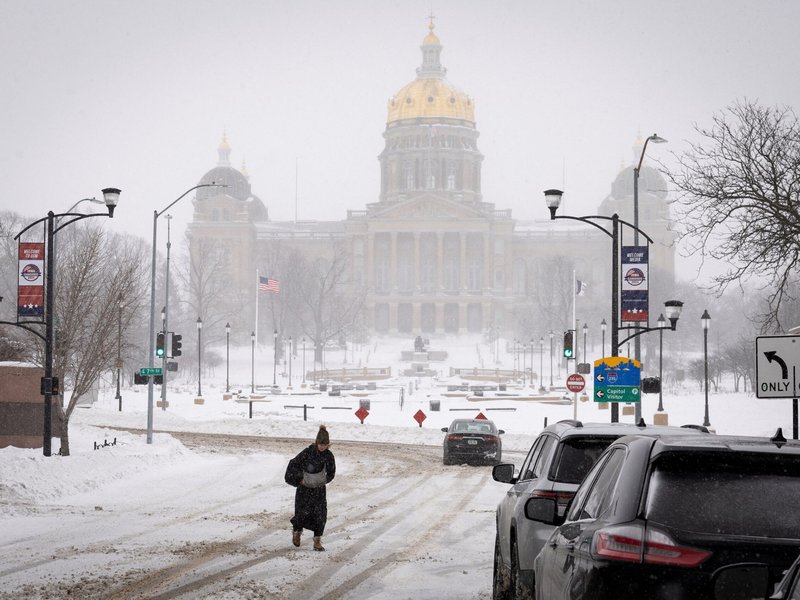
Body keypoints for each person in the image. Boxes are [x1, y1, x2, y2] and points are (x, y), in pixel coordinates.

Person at [285, 424, 336, 551]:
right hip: (304, 490)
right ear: (316, 442)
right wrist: (300, 479)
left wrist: (323, 480)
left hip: (319, 490)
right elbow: (293, 465)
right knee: (301, 513)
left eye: (325, 445)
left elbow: (331, 472)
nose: (322, 447)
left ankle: (317, 541)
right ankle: (297, 533)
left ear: (328, 444)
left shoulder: (329, 456)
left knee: (320, 515)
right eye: (320, 444)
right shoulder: (307, 453)